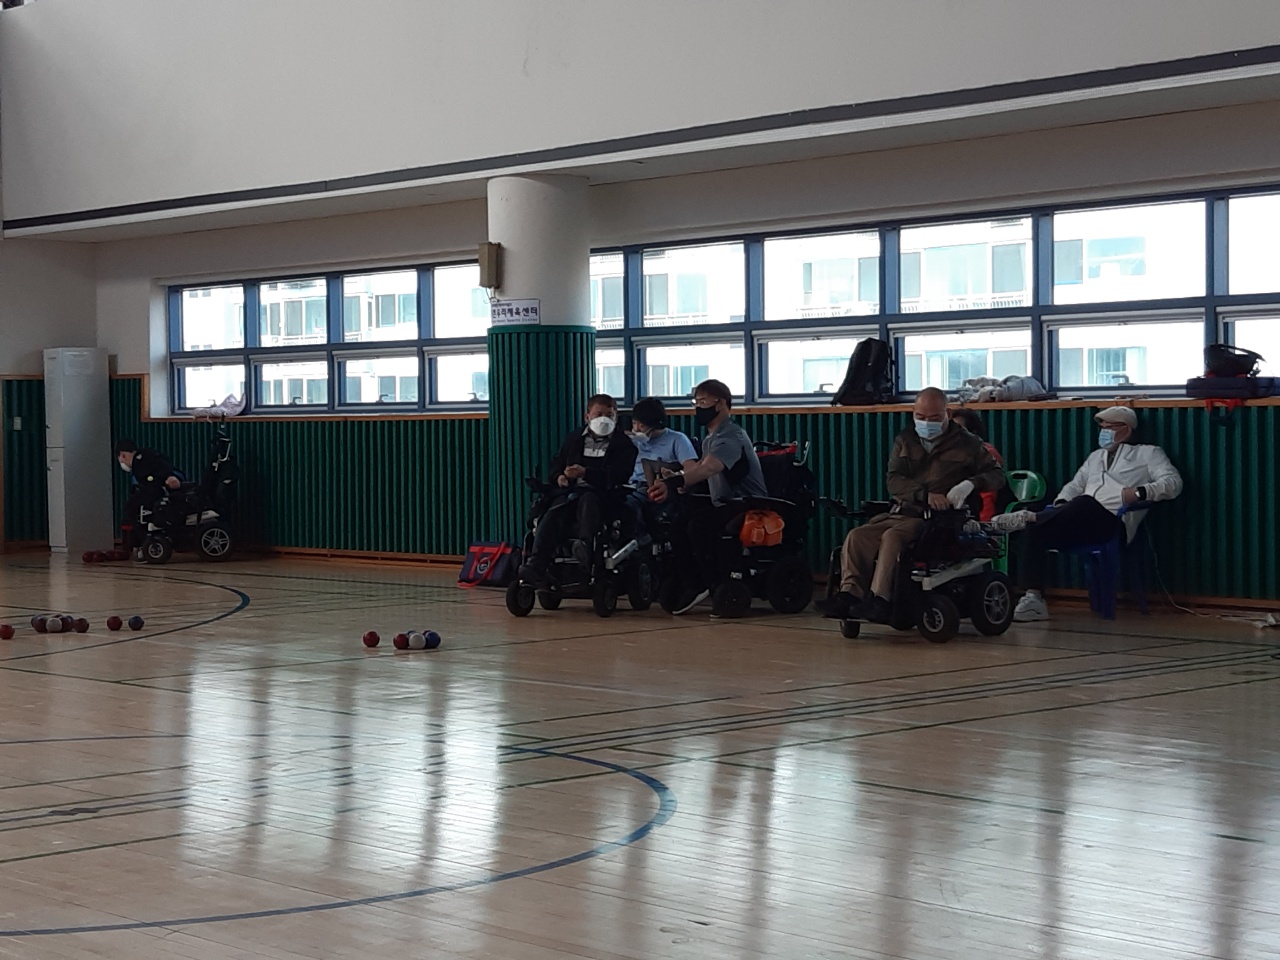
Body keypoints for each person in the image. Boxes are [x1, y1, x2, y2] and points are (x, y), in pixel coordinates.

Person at [825, 387, 1005, 624]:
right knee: (858, 536)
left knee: (893, 537)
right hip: (904, 510)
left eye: (934, 417)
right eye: (921, 417)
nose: (926, 423)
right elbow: (893, 479)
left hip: (939, 519)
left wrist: (970, 484)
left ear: (947, 414)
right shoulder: (905, 440)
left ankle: (881, 598)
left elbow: (996, 475)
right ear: (913, 413)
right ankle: (850, 594)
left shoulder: (968, 444)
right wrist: (924, 495)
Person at [1003, 406, 1183, 622]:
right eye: (1102, 427)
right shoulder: (1096, 457)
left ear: (1126, 430)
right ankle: (1033, 598)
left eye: (1110, 427)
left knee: (1083, 503)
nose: (1104, 431)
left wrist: (1139, 492)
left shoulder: (1147, 453)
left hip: (1111, 523)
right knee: (1034, 528)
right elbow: (1074, 485)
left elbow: (1173, 483)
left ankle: (1030, 517)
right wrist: (1062, 504)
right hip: (1077, 520)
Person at [649, 378, 767, 615]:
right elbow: (699, 469)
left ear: (720, 403)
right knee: (678, 525)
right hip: (722, 503)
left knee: (698, 526)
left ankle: (711, 583)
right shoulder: (711, 438)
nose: (698, 408)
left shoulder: (730, 437)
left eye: (703, 402)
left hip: (746, 503)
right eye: (696, 402)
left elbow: (710, 467)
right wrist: (678, 478)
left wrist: (675, 482)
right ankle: (692, 581)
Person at [519, 394, 636, 582]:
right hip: (570, 492)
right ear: (587, 417)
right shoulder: (574, 438)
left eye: (609, 415)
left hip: (604, 495)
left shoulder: (624, 445)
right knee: (554, 510)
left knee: (588, 501)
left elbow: (618, 475)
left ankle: (585, 549)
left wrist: (585, 473)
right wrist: (559, 477)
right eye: (599, 414)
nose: (604, 419)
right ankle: (536, 564)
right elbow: (557, 463)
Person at [626, 396, 697, 528]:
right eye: (634, 423)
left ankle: (640, 536)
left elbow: (691, 468)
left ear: (655, 425)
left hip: (656, 488)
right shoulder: (632, 441)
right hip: (630, 486)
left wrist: (676, 476)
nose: (637, 429)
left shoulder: (677, 439)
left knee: (630, 505)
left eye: (642, 426)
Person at [116, 439, 183, 560]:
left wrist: (170, 476)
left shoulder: (143, 459)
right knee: (133, 508)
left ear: (122, 455)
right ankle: (140, 544)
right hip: (152, 491)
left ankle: (145, 542)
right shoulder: (141, 461)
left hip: (158, 492)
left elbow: (162, 465)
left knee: (131, 509)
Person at [951, 407, 1005, 521]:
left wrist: (983, 526)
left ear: (973, 433)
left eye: (959, 429)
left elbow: (988, 497)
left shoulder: (988, 454)